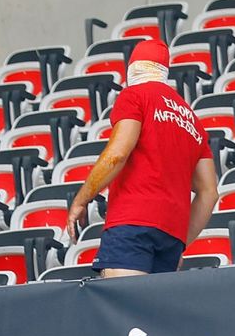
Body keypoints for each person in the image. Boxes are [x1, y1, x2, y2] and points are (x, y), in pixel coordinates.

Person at [67, 39, 219, 278]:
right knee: (152, 313)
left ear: (133, 67)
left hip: (132, 222)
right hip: (171, 236)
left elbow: (117, 153)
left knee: (123, 308)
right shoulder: (191, 119)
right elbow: (209, 192)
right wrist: (182, 240)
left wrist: (81, 199)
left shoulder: (134, 95)